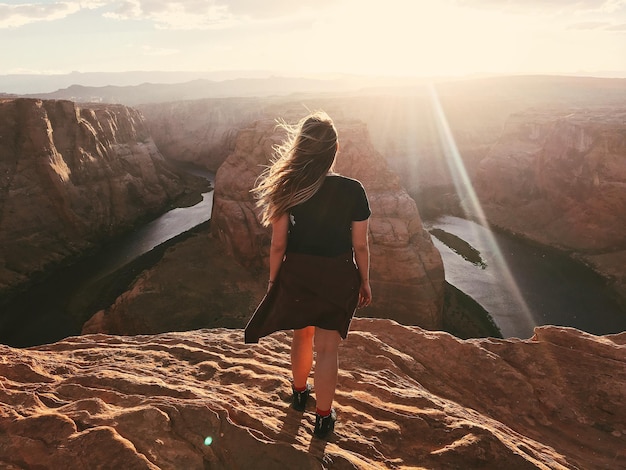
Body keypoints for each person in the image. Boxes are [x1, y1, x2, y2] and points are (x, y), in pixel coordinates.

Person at [244, 111, 372, 439]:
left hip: (299, 274)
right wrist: (365, 280)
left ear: (302, 148)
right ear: (335, 149)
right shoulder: (353, 190)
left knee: (302, 335)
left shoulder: (288, 188)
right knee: (328, 348)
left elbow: (278, 245)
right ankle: (323, 418)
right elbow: (361, 245)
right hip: (339, 274)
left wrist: (275, 282)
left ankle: (299, 394)